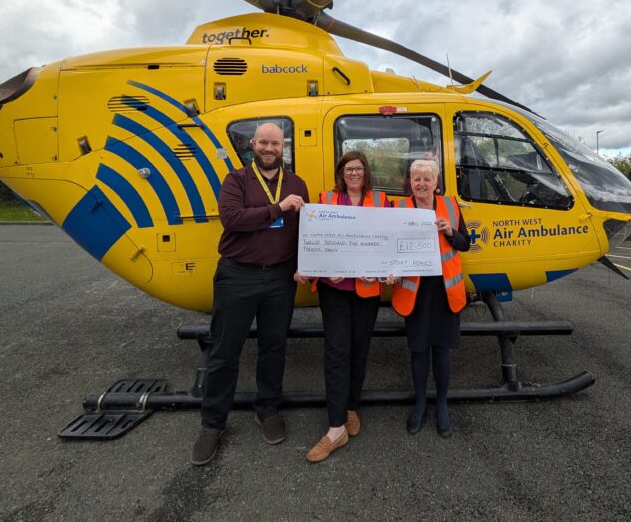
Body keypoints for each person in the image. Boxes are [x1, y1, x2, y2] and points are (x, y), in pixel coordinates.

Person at [191, 122, 309, 466]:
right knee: (224, 352)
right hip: (238, 275)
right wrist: (279, 208)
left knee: (274, 348)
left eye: (275, 143)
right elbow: (232, 219)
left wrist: (306, 261)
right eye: (264, 143)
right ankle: (212, 424)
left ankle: (267, 410)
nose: (269, 148)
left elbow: (306, 230)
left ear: (282, 146)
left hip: (280, 279)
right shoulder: (236, 180)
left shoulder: (297, 184)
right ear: (253, 145)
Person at [303, 151, 390, 463]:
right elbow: (315, 241)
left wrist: (385, 270)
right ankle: (335, 426)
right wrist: (325, 269)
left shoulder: (381, 201)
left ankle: (351, 405)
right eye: (349, 168)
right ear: (341, 172)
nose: (354, 173)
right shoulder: (326, 198)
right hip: (335, 290)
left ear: (366, 172)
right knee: (337, 352)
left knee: (359, 349)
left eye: (359, 168)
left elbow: (387, 242)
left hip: (366, 290)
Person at [392, 158, 470, 438]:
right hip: (415, 291)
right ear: (410, 182)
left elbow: (466, 243)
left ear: (437, 182)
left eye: (427, 178)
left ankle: (441, 403)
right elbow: (389, 246)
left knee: (442, 350)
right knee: (418, 350)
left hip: (445, 290)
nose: (421, 183)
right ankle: (420, 402)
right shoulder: (399, 208)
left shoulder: (450, 205)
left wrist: (449, 232)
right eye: (416, 178)